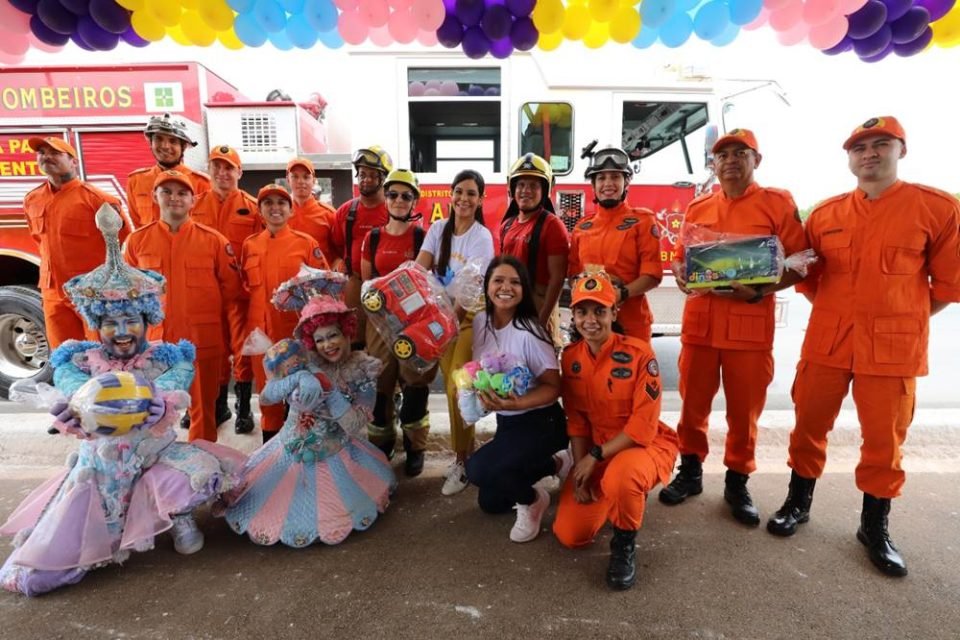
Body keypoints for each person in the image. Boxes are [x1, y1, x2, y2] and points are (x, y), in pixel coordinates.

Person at [0, 206, 244, 596]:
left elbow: (175, 391)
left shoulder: (169, 356)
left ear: (147, 320)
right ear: (98, 324)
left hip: (155, 452)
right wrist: (71, 412)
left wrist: (162, 406)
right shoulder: (79, 360)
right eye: (111, 322)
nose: (122, 331)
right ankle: (80, 545)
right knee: (87, 493)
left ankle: (178, 516)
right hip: (103, 462)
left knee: (203, 467)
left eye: (131, 320)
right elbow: (70, 391)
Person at [767, 117, 960, 577]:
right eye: (860, 147)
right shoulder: (826, 214)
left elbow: (948, 285)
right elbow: (808, 280)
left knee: (884, 441)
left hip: (893, 351)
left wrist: (904, 318)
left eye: (880, 145)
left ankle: (874, 525)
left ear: (901, 150)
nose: (869, 154)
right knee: (808, 424)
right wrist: (839, 312)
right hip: (827, 342)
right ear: (849, 158)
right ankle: (798, 502)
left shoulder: (936, 209)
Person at [658, 129, 808, 527]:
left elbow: (803, 261)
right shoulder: (698, 206)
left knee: (744, 414)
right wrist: (680, 272)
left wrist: (760, 290)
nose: (730, 161)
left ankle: (737, 482)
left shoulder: (777, 203)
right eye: (722, 155)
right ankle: (689, 473)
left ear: (757, 160)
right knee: (692, 406)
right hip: (701, 326)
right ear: (713, 163)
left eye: (741, 154)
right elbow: (680, 258)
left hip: (749, 327)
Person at [224, 293, 396, 547]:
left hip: (335, 450)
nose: (328, 345)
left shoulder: (363, 368)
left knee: (332, 506)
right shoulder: (302, 360)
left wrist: (331, 394)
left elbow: (353, 424)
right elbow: (268, 397)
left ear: (347, 332)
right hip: (289, 447)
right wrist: (295, 379)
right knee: (273, 500)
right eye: (320, 339)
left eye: (333, 335)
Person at [553, 271, 678, 590]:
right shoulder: (570, 359)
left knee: (623, 477)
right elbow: (577, 421)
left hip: (641, 447)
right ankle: (618, 497)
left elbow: (643, 427)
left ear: (614, 313)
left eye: (599, 310)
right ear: (574, 316)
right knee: (570, 535)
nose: (590, 320)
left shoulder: (640, 355)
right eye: (582, 311)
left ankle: (624, 544)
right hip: (599, 451)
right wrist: (581, 471)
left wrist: (594, 457)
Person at [124, 171, 246, 443]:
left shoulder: (214, 241)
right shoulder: (137, 241)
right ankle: (156, 469)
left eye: (182, 193)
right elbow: (127, 295)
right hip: (154, 342)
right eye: (166, 192)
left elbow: (231, 291)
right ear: (156, 198)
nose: (174, 198)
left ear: (193, 201)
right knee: (152, 409)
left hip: (202, 340)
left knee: (203, 412)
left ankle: (202, 466)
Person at [465, 256, 568, 543]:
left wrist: (516, 403)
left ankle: (534, 501)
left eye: (515, 282)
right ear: (487, 286)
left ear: (524, 290)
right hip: (508, 423)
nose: (505, 287)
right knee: (491, 502)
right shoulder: (480, 322)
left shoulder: (529, 331)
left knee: (478, 469)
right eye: (498, 280)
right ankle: (556, 464)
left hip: (542, 422)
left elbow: (553, 386)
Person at [415, 169, 494, 495]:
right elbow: (419, 268)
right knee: (451, 387)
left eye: (471, 193)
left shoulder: (481, 237)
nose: (463, 198)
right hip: (437, 319)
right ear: (451, 195)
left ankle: (461, 461)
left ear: (480, 199)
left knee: (457, 389)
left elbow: (473, 285)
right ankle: (468, 453)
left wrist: (449, 321)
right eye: (459, 192)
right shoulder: (437, 229)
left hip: (466, 320)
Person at [360, 169, 436, 476]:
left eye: (406, 195)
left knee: (415, 383)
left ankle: (415, 447)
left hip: (414, 323)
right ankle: (382, 443)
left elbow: (430, 283)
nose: (399, 200)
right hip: (379, 322)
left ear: (414, 200)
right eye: (393, 194)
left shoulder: (422, 236)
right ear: (385, 198)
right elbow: (367, 284)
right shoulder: (373, 238)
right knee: (380, 383)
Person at [240, 185, 328, 443]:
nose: (275, 208)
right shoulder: (250, 245)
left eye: (281, 203)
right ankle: (271, 450)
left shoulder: (306, 244)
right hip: (260, 335)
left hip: (295, 334)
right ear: (260, 211)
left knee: (301, 394)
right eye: (268, 203)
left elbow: (321, 288)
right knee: (268, 396)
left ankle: (302, 448)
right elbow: (243, 288)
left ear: (291, 210)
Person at [23, 136, 125, 349]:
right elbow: (39, 241)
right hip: (52, 293)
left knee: (104, 354)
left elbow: (123, 248)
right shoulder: (32, 199)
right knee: (66, 357)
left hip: (92, 293)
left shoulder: (98, 199)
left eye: (55, 153)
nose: (47, 157)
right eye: (42, 152)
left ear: (74, 161)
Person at [190, 144, 263, 435]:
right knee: (211, 351)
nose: (222, 173)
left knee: (243, 350)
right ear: (208, 171)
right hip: (206, 293)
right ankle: (217, 407)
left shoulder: (253, 207)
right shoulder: (193, 205)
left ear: (239, 172)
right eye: (216, 166)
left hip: (239, 294)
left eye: (228, 167)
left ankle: (244, 410)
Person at [568, 146, 663, 342]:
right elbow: (573, 275)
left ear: (626, 181)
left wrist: (621, 293)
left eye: (615, 177)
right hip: (590, 324)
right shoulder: (582, 227)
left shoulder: (643, 221)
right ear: (593, 185)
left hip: (631, 324)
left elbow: (652, 275)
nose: (608, 183)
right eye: (601, 178)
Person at [498, 153, 569, 332]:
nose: (525, 190)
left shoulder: (552, 225)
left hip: (538, 308)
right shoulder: (506, 225)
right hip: (509, 305)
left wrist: (542, 321)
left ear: (544, 190)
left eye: (533, 185)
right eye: (521, 184)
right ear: (512, 189)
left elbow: (557, 279)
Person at [331, 146, 393, 348]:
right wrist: (339, 262)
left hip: (387, 288)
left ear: (383, 178)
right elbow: (336, 247)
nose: (365, 179)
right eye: (362, 174)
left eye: (372, 175)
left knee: (387, 343)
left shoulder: (394, 211)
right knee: (354, 341)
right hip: (355, 282)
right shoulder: (346, 211)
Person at [126, 113, 211, 227]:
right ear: (151, 143)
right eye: (159, 139)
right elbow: (137, 225)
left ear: (184, 146)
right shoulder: (136, 181)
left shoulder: (203, 184)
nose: (165, 146)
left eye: (173, 141)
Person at [287, 156, 341, 269]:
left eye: (306, 177)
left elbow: (340, 252)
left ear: (314, 180)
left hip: (320, 282)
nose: (300, 181)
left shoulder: (329, 214)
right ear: (288, 179)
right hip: (286, 280)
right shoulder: (280, 214)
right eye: (295, 177)